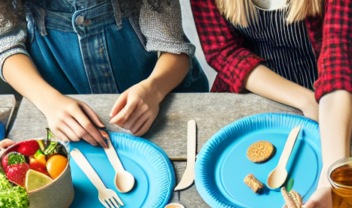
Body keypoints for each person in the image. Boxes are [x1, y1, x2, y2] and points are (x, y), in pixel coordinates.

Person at [189, 0, 352, 208]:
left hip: (331, 96)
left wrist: (331, 180)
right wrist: (304, 100)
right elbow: (224, 52)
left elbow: (339, 56)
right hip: (254, 90)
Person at [0, 0, 208, 147]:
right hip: (69, 124)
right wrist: (49, 101)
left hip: (162, 108)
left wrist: (154, 89)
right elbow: (6, 45)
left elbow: (175, 49)